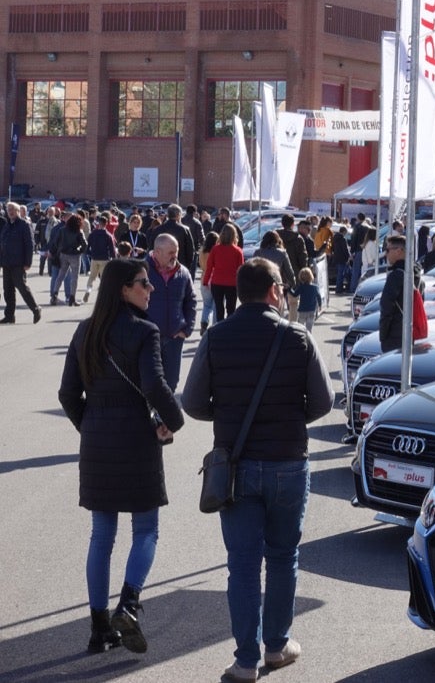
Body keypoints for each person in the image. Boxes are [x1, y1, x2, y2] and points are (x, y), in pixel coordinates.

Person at [181, 258, 333, 683]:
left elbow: (192, 403)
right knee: (283, 556)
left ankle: (245, 661)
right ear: (272, 291)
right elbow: (323, 402)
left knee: (243, 564)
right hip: (287, 460)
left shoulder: (216, 336)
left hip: (237, 463)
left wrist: (225, 412)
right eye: (282, 287)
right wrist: (289, 415)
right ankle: (278, 645)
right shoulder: (298, 337)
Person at [58, 258, 183, 656]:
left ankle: (98, 629)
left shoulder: (85, 330)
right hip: (136, 439)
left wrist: (90, 426)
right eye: (144, 283)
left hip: (97, 440)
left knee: (101, 535)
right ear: (124, 289)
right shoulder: (145, 331)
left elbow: (66, 393)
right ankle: (127, 605)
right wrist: (174, 421)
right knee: (146, 529)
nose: (151, 289)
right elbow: (155, 386)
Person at [145, 234, 197, 391]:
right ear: (157, 252)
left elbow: (191, 302)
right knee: (149, 381)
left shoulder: (183, 273)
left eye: (176, 251)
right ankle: (149, 414)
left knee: (172, 382)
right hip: (148, 338)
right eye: (170, 252)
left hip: (174, 338)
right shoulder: (142, 271)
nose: (175, 256)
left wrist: (186, 330)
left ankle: (162, 415)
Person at [378, 234, 423, 353]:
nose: (386, 254)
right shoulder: (417, 274)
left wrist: (383, 336)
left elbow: (386, 307)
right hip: (413, 334)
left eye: (387, 250)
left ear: (399, 251)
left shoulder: (396, 276)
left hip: (394, 336)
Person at [0, 202, 42, 324]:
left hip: (18, 262)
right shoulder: (7, 225)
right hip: (7, 262)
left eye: (12, 209)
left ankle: (35, 309)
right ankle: (9, 316)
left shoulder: (24, 225)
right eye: (8, 210)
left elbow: (29, 244)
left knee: (22, 287)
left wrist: (28, 262)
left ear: (18, 211)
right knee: (8, 290)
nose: (10, 212)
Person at [202, 226, 245, 323]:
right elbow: (241, 270)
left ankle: (220, 327)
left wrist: (205, 281)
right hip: (232, 284)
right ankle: (229, 328)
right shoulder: (238, 251)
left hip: (217, 283)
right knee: (231, 309)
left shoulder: (215, 249)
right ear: (234, 236)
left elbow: (209, 267)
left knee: (218, 308)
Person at [149, 205, 195, 280]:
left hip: (159, 267)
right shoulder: (184, 230)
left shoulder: (158, 229)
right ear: (178, 215)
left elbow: (151, 248)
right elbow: (190, 250)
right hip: (179, 267)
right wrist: (187, 266)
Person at [275, 215, 307, 320]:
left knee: (278, 301)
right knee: (293, 303)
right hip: (294, 273)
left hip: (278, 273)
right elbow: (303, 257)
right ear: (293, 225)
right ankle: (292, 325)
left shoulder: (275, 237)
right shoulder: (298, 238)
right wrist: (304, 273)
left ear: (282, 223)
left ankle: (277, 322)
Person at [253, 230, 296, 306]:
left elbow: (252, 270)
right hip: (277, 285)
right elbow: (289, 272)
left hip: (260, 286)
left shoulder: (257, 252)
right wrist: (292, 284)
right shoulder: (282, 253)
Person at [56, 212, 89, 306]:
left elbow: (57, 241)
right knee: (74, 277)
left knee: (61, 275)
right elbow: (85, 244)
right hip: (74, 255)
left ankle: (55, 294)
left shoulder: (62, 230)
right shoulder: (78, 231)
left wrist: (59, 250)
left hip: (64, 254)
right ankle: (72, 297)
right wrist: (80, 251)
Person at [83, 215, 117, 303]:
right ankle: (102, 297)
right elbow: (112, 248)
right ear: (106, 224)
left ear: (99, 223)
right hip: (104, 258)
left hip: (94, 258)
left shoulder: (93, 234)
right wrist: (114, 258)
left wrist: (90, 254)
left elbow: (87, 246)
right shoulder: (108, 235)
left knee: (91, 277)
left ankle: (88, 291)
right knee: (103, 278)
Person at [198, 230, 218, 335]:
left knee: (206, 305)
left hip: (204, 278)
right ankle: (215, 326)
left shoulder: (202, 251)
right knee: (216, 305)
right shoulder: (216, 251)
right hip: (214, 279)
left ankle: (204, 323)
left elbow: (200, 265)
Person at [289, 267, 322, 332]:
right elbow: (319, 297)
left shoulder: (301, 287)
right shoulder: (315, 287)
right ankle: (308, 340)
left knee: (300, 328)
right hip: (311, 310)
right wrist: (320, 305)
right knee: (309, 329)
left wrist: (289, 289)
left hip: (302, 310)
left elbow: (294, 294)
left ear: (301, 278)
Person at [330, 225, 352, 294]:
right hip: (342, 259)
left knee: (340, 274)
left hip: (336, 258)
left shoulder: (334, 238)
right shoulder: (342, 239)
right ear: (344, 231)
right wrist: (348, 256)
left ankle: (339, 288)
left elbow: (332, 248)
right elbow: (345, 249)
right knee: (342, 274)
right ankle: (339, 289)